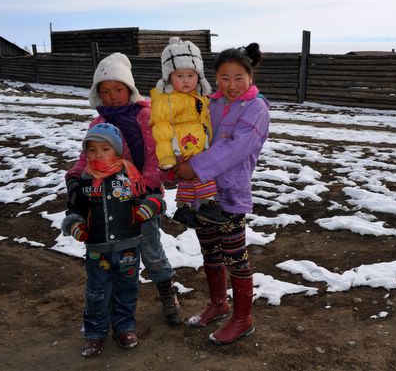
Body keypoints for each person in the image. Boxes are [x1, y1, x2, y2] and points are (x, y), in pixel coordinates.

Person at [65, 52, 183, 326]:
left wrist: (143, 188)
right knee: (110, 256)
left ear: (129, 89)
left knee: (151, 252)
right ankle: (112, 306)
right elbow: (86, 157)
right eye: (105, 91)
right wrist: (74, 177)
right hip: (106, 203)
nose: (112, 96)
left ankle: (167, 292)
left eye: (117, 89)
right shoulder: (98, 123)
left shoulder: (145, 116)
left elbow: (157, 156)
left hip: (142, 201)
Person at [174, 43, 270, 344]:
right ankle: (218, 304)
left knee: (234, 256)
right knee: (210, 251)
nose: (232, 85)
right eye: (224, 78)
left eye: (239, 77)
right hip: (202, 193)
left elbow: (236, 148)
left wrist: (194, 167)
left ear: (250, 77)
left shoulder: (256, 108)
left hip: (230, 194)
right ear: (215, 78)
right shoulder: (208, 103)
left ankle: (243, 319)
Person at [61, 123, 163, 357]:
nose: (98, 155)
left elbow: (152, 197)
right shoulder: (83, 181)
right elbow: (74, 210)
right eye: (92, 150)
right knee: (97, 292)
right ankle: (95, 333)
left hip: (129, 248)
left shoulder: (130, 176)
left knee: (126, 289)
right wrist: (75, 225)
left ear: (117, 151)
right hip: (97, 249)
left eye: (105, 149)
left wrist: (149, 206)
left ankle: (124, 327)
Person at [149, 37, 227, 227]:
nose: (186, 80)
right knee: (202, 174)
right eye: (180, 75)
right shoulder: (167, 99)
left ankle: (184, 208)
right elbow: (161, 127)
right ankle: (208, 205)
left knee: (189, 178)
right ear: (169, 77)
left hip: (196, 143)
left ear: (198, 76)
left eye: (190, 75)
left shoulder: (199, 95)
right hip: (181, 146)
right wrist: (166, 156)